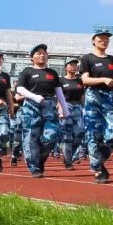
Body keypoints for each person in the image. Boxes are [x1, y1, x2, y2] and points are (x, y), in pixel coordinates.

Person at [79, 31, 113, 184]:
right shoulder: (87, 58)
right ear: (93, 41)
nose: (104, 41)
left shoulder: (112, 60)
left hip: (109, 97)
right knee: (94, 133)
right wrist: (103, 79)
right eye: (101, 38)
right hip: (93, 95)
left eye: (107, 39)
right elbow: (85, 80)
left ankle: (99, 159)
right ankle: (98, 170)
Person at [15, 44, 68, 178]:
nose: (42, 55)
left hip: (49, 106)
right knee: (31, 137)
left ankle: (40, 160)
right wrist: (34, 96)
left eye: (44, 53)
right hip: (31, 106)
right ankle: (34, 167)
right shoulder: (27, 71)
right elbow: (19, 89)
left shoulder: (52, 73)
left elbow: (59, 92)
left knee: (52, 136)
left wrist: (65, 109)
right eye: (38, 53)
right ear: (31, 57)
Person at [60, 60, 86, 171]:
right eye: (71, 65)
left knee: (79, 134)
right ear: (66, 67)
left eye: (75, 65)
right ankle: (68, 160)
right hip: (66, 106)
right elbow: (57, 95)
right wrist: (60, 108)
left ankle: (70, 156)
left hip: (77, 107)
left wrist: (84, 108)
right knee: (67, 136)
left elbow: (82, 95)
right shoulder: (61, 80)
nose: (73, 67)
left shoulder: (80, 81)